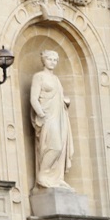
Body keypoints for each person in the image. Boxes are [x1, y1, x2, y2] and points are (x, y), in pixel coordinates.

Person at [29, 49, 73, 189]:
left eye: (55, 60)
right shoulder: (39, 76)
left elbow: (59, 97)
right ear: (44, 60)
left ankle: (56, 177)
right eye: (50, 59)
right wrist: (41, 114)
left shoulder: (56, 79)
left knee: (61, 147)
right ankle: (43, 175)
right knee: (54, 146)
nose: (52, 62)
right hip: (47, 116)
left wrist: (65, 101)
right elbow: (33, 98)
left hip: (59, 115)